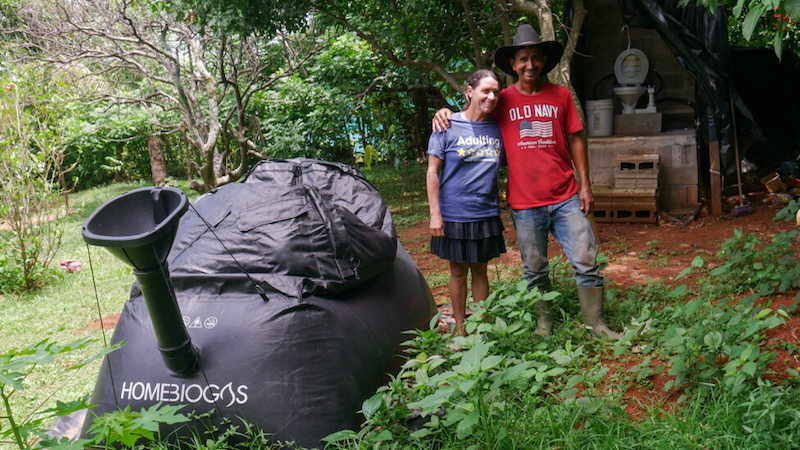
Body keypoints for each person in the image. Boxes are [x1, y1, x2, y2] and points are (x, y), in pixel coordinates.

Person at [433, 24, 622, 339]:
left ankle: (596, 325)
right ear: (513, 64)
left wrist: (585, 184)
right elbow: (472, 114)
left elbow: (576, 138)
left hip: (566, 196)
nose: (530, 65)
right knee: (534, 268)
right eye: (523, 59)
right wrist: (443, 112)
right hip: (525, 202)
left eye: (535, 58)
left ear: (543, 60)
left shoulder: (561, 96)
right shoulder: (502, 100)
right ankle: (543, 325)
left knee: (586, 258)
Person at [427, 69, 506, 337]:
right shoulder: (446, 124)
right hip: (454, 213)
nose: (491, 96)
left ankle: (481, 328)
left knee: (481, 271)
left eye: (496, 91)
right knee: (458, 271)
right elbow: (432, 172)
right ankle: (460, 328)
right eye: (485, 90)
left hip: (485, 212)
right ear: (469, 92)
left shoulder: (499, 126)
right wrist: (434, 214)